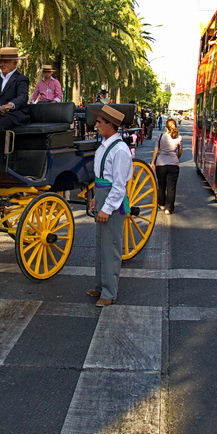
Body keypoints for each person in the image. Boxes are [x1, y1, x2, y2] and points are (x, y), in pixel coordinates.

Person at [86, 104, 132, 307]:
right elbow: (101, 177)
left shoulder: (120, 150)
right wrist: (97, 198)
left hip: (112, 199)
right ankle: (100, 284)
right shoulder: (105, 146)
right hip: (103, 194)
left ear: (111, 125)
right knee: (101, 245)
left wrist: (107, 208)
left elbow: (119, 185)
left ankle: (109, 292)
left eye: (99, 122)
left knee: (111, 247)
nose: (96, 125)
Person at [151, 118, 183, 215]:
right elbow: (180, 151)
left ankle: (161, 204)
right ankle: (168, 208)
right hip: (173, 164)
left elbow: (156, 151)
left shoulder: (160, 136)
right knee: (171, 187)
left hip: (161, 164)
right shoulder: (179, 138)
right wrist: (176, 158)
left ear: (166, 126)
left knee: (161, 185)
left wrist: (153, 162)